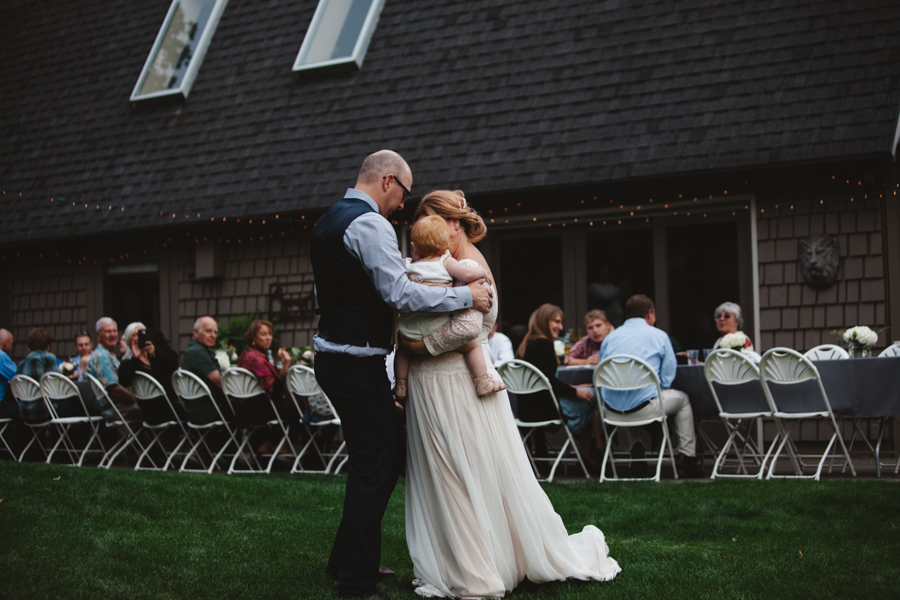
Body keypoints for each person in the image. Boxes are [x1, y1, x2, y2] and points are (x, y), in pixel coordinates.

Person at [400, 191, 619, 599]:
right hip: (433, 385)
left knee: (463, 474)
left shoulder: (471, 268)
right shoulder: (432, 267)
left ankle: (477, 570)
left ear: (455, 224)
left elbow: (466, 329)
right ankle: (458, 559)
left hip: (457, 383)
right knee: (445, 474)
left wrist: (414, 347)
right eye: (418, 226)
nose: (422, 232)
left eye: (431, 222)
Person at [310, 150, 493, 600]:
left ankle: (347, 557)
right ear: (388, 181)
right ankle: (356, 582)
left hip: (336, 358)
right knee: (377, 463)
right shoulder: (369, 223)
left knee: (380, 457)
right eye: (404, 195)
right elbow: (401, 293)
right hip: (355, 363)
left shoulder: (327, 221)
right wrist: (464, 296)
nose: (402, 208)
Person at [393, 214, 505, 399]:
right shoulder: (445, 261)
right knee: (472, 345)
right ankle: (482, 380)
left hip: (409, 327)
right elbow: (467, 275)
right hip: (436, 324)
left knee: (402, 351)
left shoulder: (407, 265)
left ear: (414, 246)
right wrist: (482, 272)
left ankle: (400, 384)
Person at [598, 294, 703, 478]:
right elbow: (667, 377)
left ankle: (636, 447)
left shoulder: (610, 338)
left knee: (627, 396)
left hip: (611, 410)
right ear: (649, 313)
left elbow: (603, 371)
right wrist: (655, 389)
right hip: (645, 408)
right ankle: (688, 456)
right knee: (683, 399)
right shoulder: (659, 336)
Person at [517, 303, 604, 467]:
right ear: (544, 321)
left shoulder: (526, 344)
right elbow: (550, 382)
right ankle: (594, 449)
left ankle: (588, 453)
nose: (560, 326)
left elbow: (545, 381)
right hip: (546, 410)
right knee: (592, 396)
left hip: (526, 409)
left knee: (584, 393)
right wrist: (575, 392)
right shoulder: (545, 344)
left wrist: (574, 389)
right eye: (556, 321)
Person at [235, 319, 300, 455]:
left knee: (292, 400)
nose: (268, 337)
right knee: (298, 405)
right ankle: (279, 444)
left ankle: (271, 445)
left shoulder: (247, 353)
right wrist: (284, 370)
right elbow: (274, 392)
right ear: (253, 336)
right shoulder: (256, 359)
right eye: (263, 334)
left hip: (246, 406)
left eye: (270, 334)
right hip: (255, 410)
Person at [118, 325, 183, 422]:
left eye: (142, 333)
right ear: (129, 339)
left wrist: (155, 353)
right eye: (135, 335)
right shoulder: (128, 362)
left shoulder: (154, 358)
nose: (139, 337)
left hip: (167, 404)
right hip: (149, 410)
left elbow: (173, 368)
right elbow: (124, 381)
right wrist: (135, 358)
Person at [87, 317, 139, 421]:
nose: (112, 334)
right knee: (154, 410)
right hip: (116, 410)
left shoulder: (109, 355)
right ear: (98, 335)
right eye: (107, 331)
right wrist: (137, 400)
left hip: (119, 407)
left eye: (114, 331)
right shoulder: (101, 356)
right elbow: (115, 390)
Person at [181, 316, 231, 424]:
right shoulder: (197, 352)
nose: (213, 335)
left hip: (197, 409)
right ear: (196, 332)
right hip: (206, 410)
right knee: (247, 407)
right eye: (208, 331)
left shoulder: (193, 350)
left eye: (215, 332)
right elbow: (219, 383)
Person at [0, 329, 17, 419]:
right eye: (11, 343)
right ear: (5, 343)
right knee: (23, 410)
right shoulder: (1, 357)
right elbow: (18, 376)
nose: (12, 347)